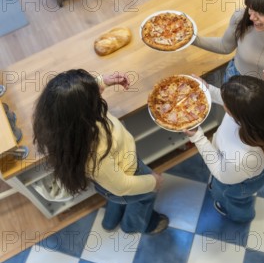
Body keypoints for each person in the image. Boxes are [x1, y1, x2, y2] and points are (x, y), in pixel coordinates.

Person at [32, 69, 169, 235]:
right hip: (129, 173)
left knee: (116, 196)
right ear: (85, 111)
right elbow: (122, 186)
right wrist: (153, 182)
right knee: (144, 198)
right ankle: (133, 225)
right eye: (94, 98)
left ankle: (110, 221)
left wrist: (100, 82)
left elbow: (70, 99)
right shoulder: (95, 152)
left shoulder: (60, 125)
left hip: (108, 182)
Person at [185, 75, 264, 223]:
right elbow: (239, 101)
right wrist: (206, 90)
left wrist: (197, 137)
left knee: (232, 198)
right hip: (245, 168)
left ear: (240, 117)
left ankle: (241, 216)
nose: (224, 104)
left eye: (226, 105)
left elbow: (221, 173)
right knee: (222, 185)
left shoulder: (243, 159)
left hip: (239, 184)